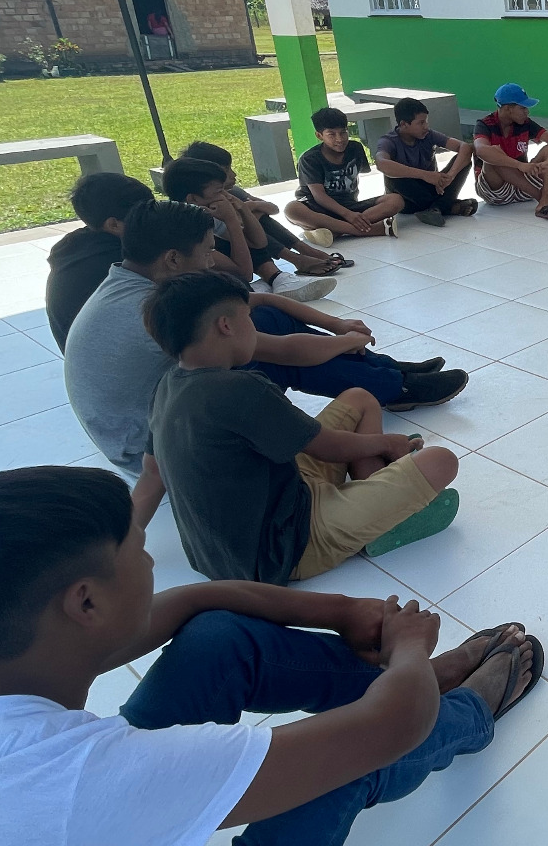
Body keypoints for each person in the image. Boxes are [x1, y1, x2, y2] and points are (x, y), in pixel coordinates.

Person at [0, 465, 543, 846]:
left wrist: (339, 613)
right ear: (85, 604)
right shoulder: (90, 783)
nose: (153, 561)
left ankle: (401, 679)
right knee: (339, 769)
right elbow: (390, 729)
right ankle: (466, 711)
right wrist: (410, 648)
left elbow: (193, 600)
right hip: (85, 817)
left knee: (217, 643)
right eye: (138, 551)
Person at [64, 202, 466, 476]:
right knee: (264, 351)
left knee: (262, 315)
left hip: (158, 417)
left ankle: (387, 371)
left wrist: (337, 324)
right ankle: (393, 386)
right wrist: (344, 341)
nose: (210, 261)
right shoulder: (146, 308)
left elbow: (255, 298)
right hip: (153, 447)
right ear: (172, 258)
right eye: (206, 253)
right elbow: (284, 350)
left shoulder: (133, 279)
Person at [134, 272, 463, 582]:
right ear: (226, 325)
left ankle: (376, 505)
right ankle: (381, 516)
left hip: (237, 538)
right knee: (441, 460)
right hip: (284, 549)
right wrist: (387, 445)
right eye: (248, 318)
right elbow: (325, 446)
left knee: (361, 398)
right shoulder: (240, 388)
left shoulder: (166, 385)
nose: (254, 325)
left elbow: (151, 476)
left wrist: (125, 545)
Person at [164, 157, 335, 303]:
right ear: (193, 199)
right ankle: (270, 281)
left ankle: (273, 279)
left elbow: (258, 243)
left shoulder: (203, 211)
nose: (225, 195)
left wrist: (242, 208)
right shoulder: (183, 228)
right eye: (219, 191)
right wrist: (231, 220)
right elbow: (244, 274)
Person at [181, 140, 347, 277]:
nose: (233, 174)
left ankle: (302, 254)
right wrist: (243, 214)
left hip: (248, 246)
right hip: (229, 257)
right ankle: (283, 268)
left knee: (258, 218)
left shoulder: (232, 193)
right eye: (225, 171)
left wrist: (251, 207)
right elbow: (246, 237)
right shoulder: (198, 213)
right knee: (251, 224)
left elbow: (273, 209)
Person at [44, 171, 153, 350]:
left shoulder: (76, 245)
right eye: (145, 213)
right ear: (114, 225)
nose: (155, 218)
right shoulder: (121, 262)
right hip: (115, 359)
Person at [286, 106, 405, 242]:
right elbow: (319, 196)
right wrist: (348, 215)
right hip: (318, 208)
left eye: (343, 133)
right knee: (292, 209)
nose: (339, 139)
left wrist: (351, 213)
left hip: (349, 205)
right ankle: (368, 230)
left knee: (395, 200)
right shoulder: (309, 159)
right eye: (331, 134)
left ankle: (334, 230)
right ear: (319, 135)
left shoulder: (355, 148)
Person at [472, 82, 548, 221]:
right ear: (508, 108)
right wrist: (519, 165)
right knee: (493, 154)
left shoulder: (525, 123)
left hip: (524, 189)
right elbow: (481, 150)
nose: (527, 112)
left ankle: (544, 202)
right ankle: (544, 200)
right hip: (497, 192)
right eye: (523, 108)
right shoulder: (485, 124)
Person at [374, 98, 477, 226]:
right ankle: (447, 207)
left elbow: (465, 148)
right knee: (395, 176)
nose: (426, 127)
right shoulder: (388, 141)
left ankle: (436, 208)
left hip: (434, 189)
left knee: (463, 161)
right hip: (407, 199)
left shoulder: (429, 135)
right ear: (403, 124)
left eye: (426, 122)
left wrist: (450, 176)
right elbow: (381, 163)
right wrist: (425, 175)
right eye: (421, 123)